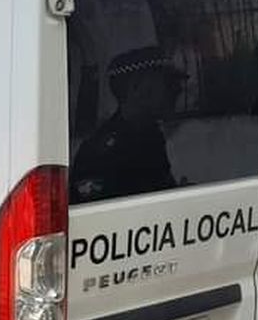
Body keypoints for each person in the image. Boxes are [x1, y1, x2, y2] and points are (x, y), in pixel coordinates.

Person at [70, 45, 183, 203]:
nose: (177, 91)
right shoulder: (100, 152)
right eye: (166, 84)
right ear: (136, 88)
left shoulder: (151, 135)